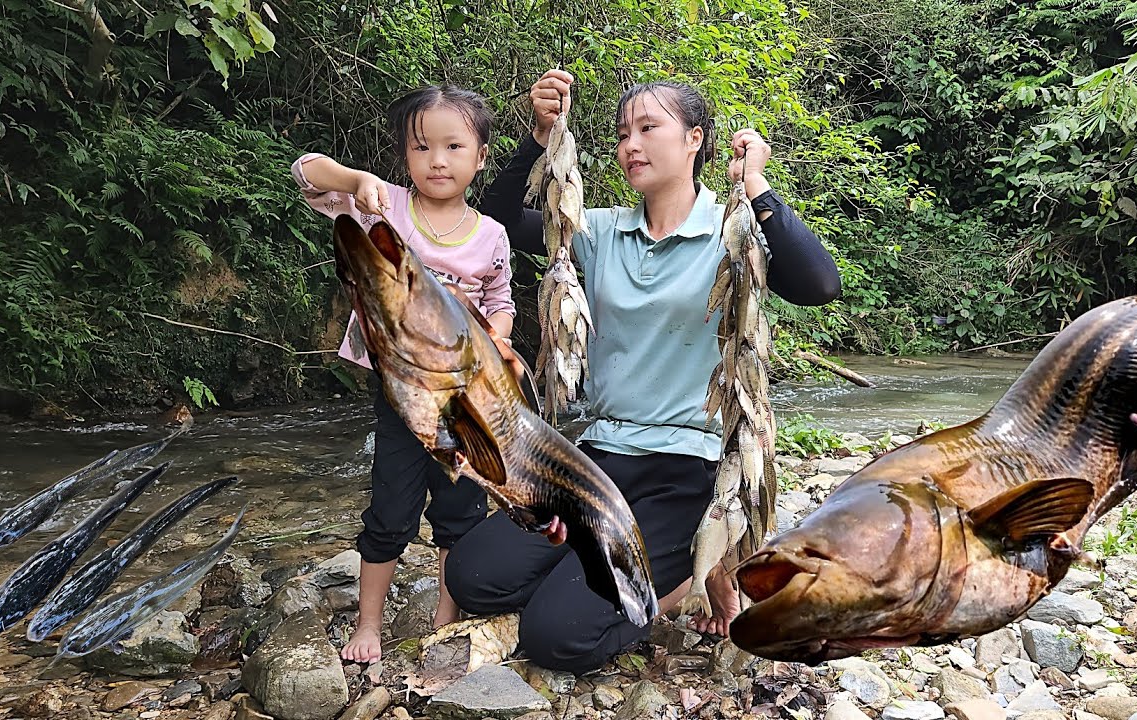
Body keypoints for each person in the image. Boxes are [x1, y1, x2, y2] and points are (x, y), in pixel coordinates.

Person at [442, 69, 843, 675]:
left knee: (557, 638)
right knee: (474, 577)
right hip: (596, 458)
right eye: (623, 132)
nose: (631, 144)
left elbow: (820, 283)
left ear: (694, 141)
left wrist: (757, 185)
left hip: (685, 470)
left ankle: (679, 579)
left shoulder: (733, 234)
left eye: (649, 128)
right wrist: (539, 135)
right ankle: (610, 570)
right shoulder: (599, 232)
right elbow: (494, 216)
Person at [291, 85, 515, 663]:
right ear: (404, 156)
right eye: (421, 147)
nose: (437, 160)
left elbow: (501, 302)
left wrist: (500, 337)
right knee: (390, 509)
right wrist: (354, 180)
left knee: (459, 511)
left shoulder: (491, 234)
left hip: (460, 399)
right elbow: (305, 171)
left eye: (453, 146)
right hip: (396, 389)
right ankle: (368, 623)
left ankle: (446, 615)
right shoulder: (382, 205)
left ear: (481, 156)